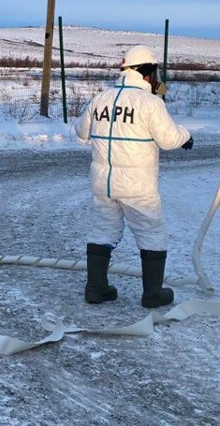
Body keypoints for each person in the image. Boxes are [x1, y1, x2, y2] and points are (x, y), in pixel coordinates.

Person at [76, 45, 193, 308]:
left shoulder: (100, 99)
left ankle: (96, 288)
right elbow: (169, 139)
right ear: (147, 72)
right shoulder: (150, 103)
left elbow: (81, 132)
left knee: (102, 231)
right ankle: (153, 293)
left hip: (103, 184)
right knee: (152, 233)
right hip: (137, 188)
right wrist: (186, 135)